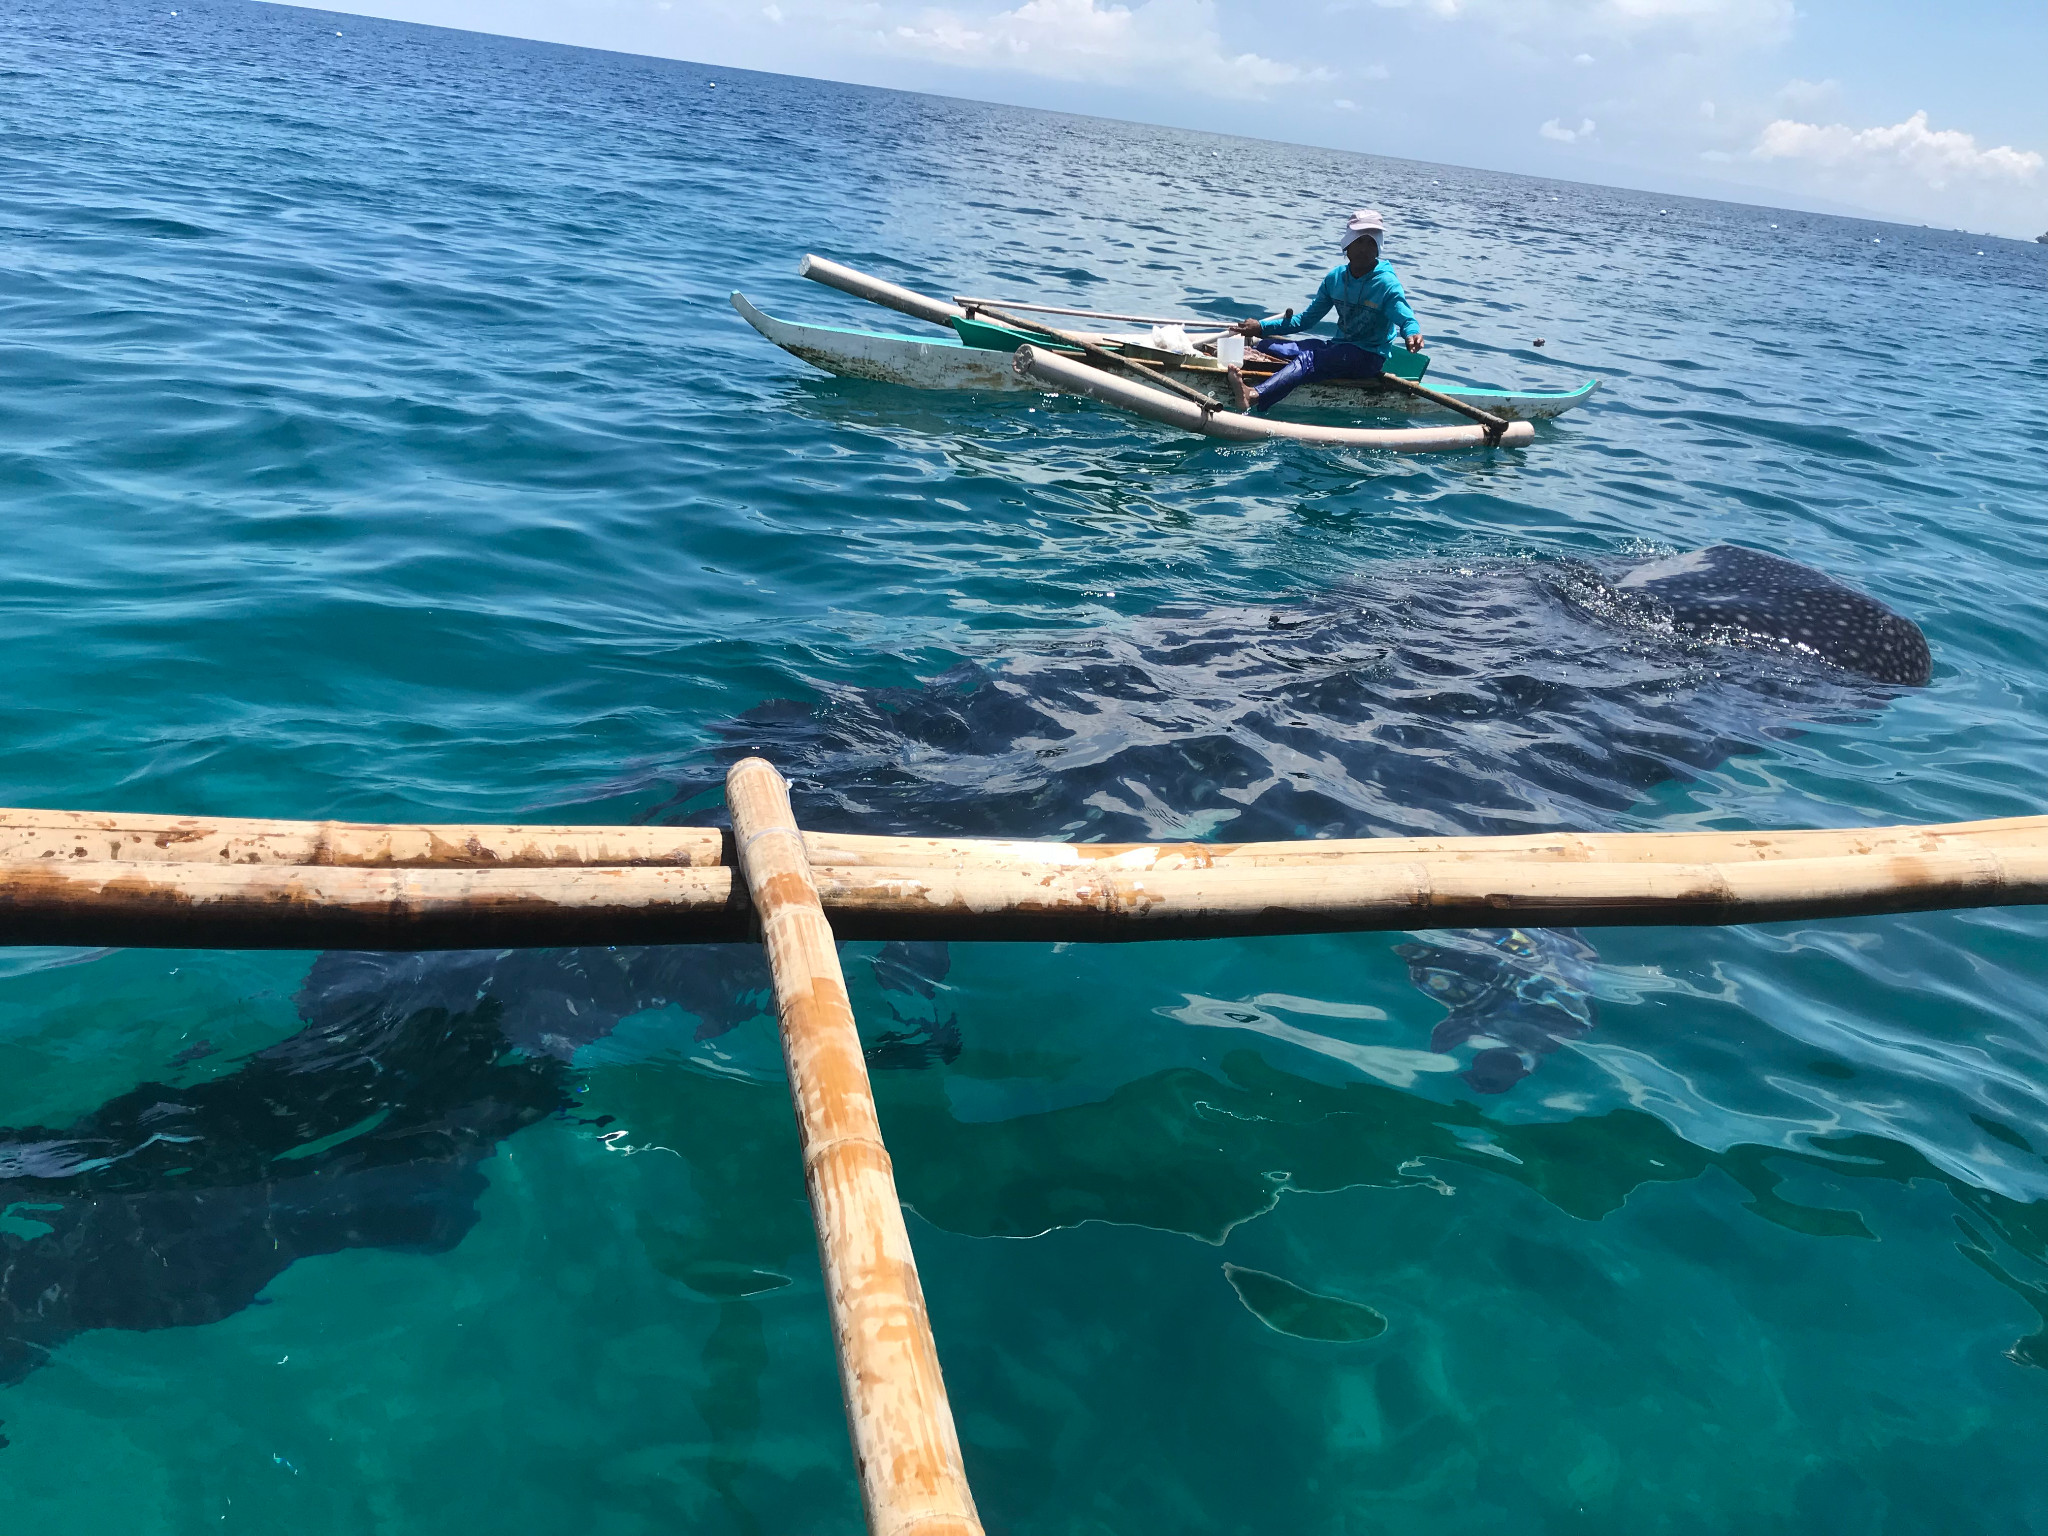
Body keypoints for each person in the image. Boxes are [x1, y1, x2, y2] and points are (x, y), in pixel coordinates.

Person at [1227, 209, 1426, 413]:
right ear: (1347, 243)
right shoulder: (1335, 278)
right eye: (1359, 241)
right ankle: (1263, 375)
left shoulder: (1386, 284)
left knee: (1309, 359)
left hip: (1368, 357)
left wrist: (1412, 333)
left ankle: (1253, 395)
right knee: (1269, 347)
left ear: (1378, 247)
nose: (1364, 249)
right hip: (1339, 348)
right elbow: (1306, 320)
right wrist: (1261, 328)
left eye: (1371, 243)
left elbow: (1405, 316)